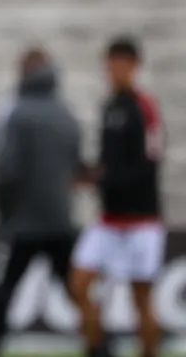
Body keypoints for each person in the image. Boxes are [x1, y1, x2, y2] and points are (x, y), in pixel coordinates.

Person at [0, 47, 87, 357]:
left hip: (22, 224)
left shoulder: (17, 114)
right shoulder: (67, 114)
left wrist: (3, 215)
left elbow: (7, 170)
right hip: (60, 222)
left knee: (0, 294)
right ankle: (101, 348)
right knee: (78, 294)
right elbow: (77, 170)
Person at [69, 36, 165, 357]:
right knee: (78, 283)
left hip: (140, 220)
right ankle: (98, 347)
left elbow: (147, 164)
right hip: (109, 220)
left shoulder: (144, 107)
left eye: (120, 64)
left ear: (134, 66)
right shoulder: (109, 106)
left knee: (141, 299)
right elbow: (107, 163)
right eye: (109, 64)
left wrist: (103, 179)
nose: (113, 71)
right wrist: (88, 174)